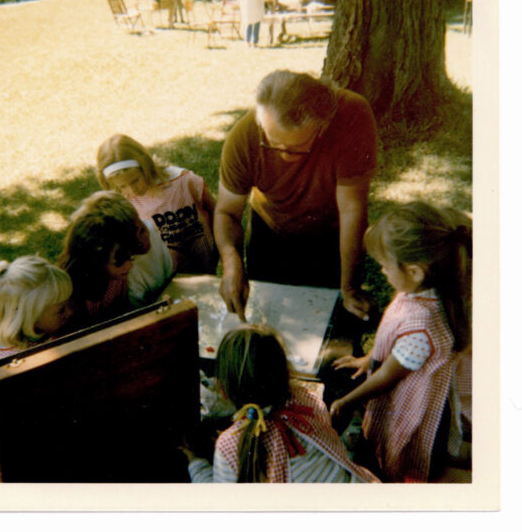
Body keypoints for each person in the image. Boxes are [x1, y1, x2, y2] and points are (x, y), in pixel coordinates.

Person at [214, 69, 378, 322]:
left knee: (330, 319)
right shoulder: (243, 138)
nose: (282, 154)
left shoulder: (352, 114)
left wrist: (349, 288)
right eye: (272, 142)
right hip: (269, 233)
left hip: (331, 234)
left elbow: (352, 209)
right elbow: (226, 212)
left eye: (294, 149)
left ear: (322, 125)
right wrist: (232, 264)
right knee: (268, 320)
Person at [329, 202, 472, 482]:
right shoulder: (423, 289)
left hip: (411, 400)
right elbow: (394, 343)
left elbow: (387, 377)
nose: (382, 272)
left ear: (416, 271)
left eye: (384, 266)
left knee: (404, 447)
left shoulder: (423, 328)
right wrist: (369, 357)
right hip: (400, 377)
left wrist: (346, 402)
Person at [183, 325, 379, 483]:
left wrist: (195, 462)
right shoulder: (307, 400)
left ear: (223, 389)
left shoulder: (229, 445)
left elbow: (221, 506)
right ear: (286, 373)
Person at [96, 134, 218, 274]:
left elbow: (215, 211)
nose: (132, 189)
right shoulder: (124, 202)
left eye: (135, 181)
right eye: (123, 186)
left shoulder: (184, 181)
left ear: (145, 166)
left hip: (204, 258)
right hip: (165, 271)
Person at [58, 190, 174, 328]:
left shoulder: (118, 270)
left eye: (142, 230)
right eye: (133, 242)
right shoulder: (74, 290)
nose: (142, 241)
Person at [0, 255, 73, 365]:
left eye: (68, 304)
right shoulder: (19, 361)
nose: (70, 312)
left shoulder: (3, 330)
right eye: (61, 310)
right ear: (30, 319)